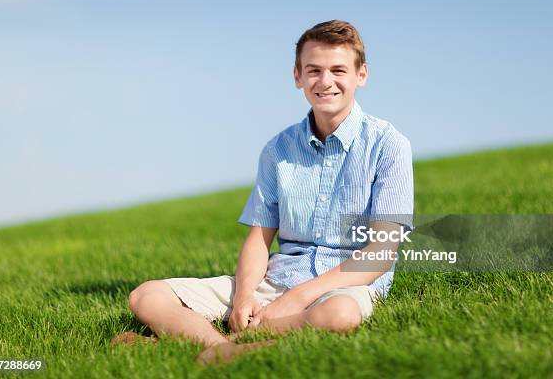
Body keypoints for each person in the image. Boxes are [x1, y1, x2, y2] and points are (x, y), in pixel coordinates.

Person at [112, 20, 414, 365]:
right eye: (313, 70)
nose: (325, 81)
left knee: (340, 316)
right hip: (277, 278)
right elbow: (259, 238)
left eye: (338, 70)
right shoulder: (278, 149)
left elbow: (380, 253)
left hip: (344, 287)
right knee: (147, 296)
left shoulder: (389, 145)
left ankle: (206, 342)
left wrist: (296, 299)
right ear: (297, 76)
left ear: (361, 75)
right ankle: (228, 349)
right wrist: (242, 299)